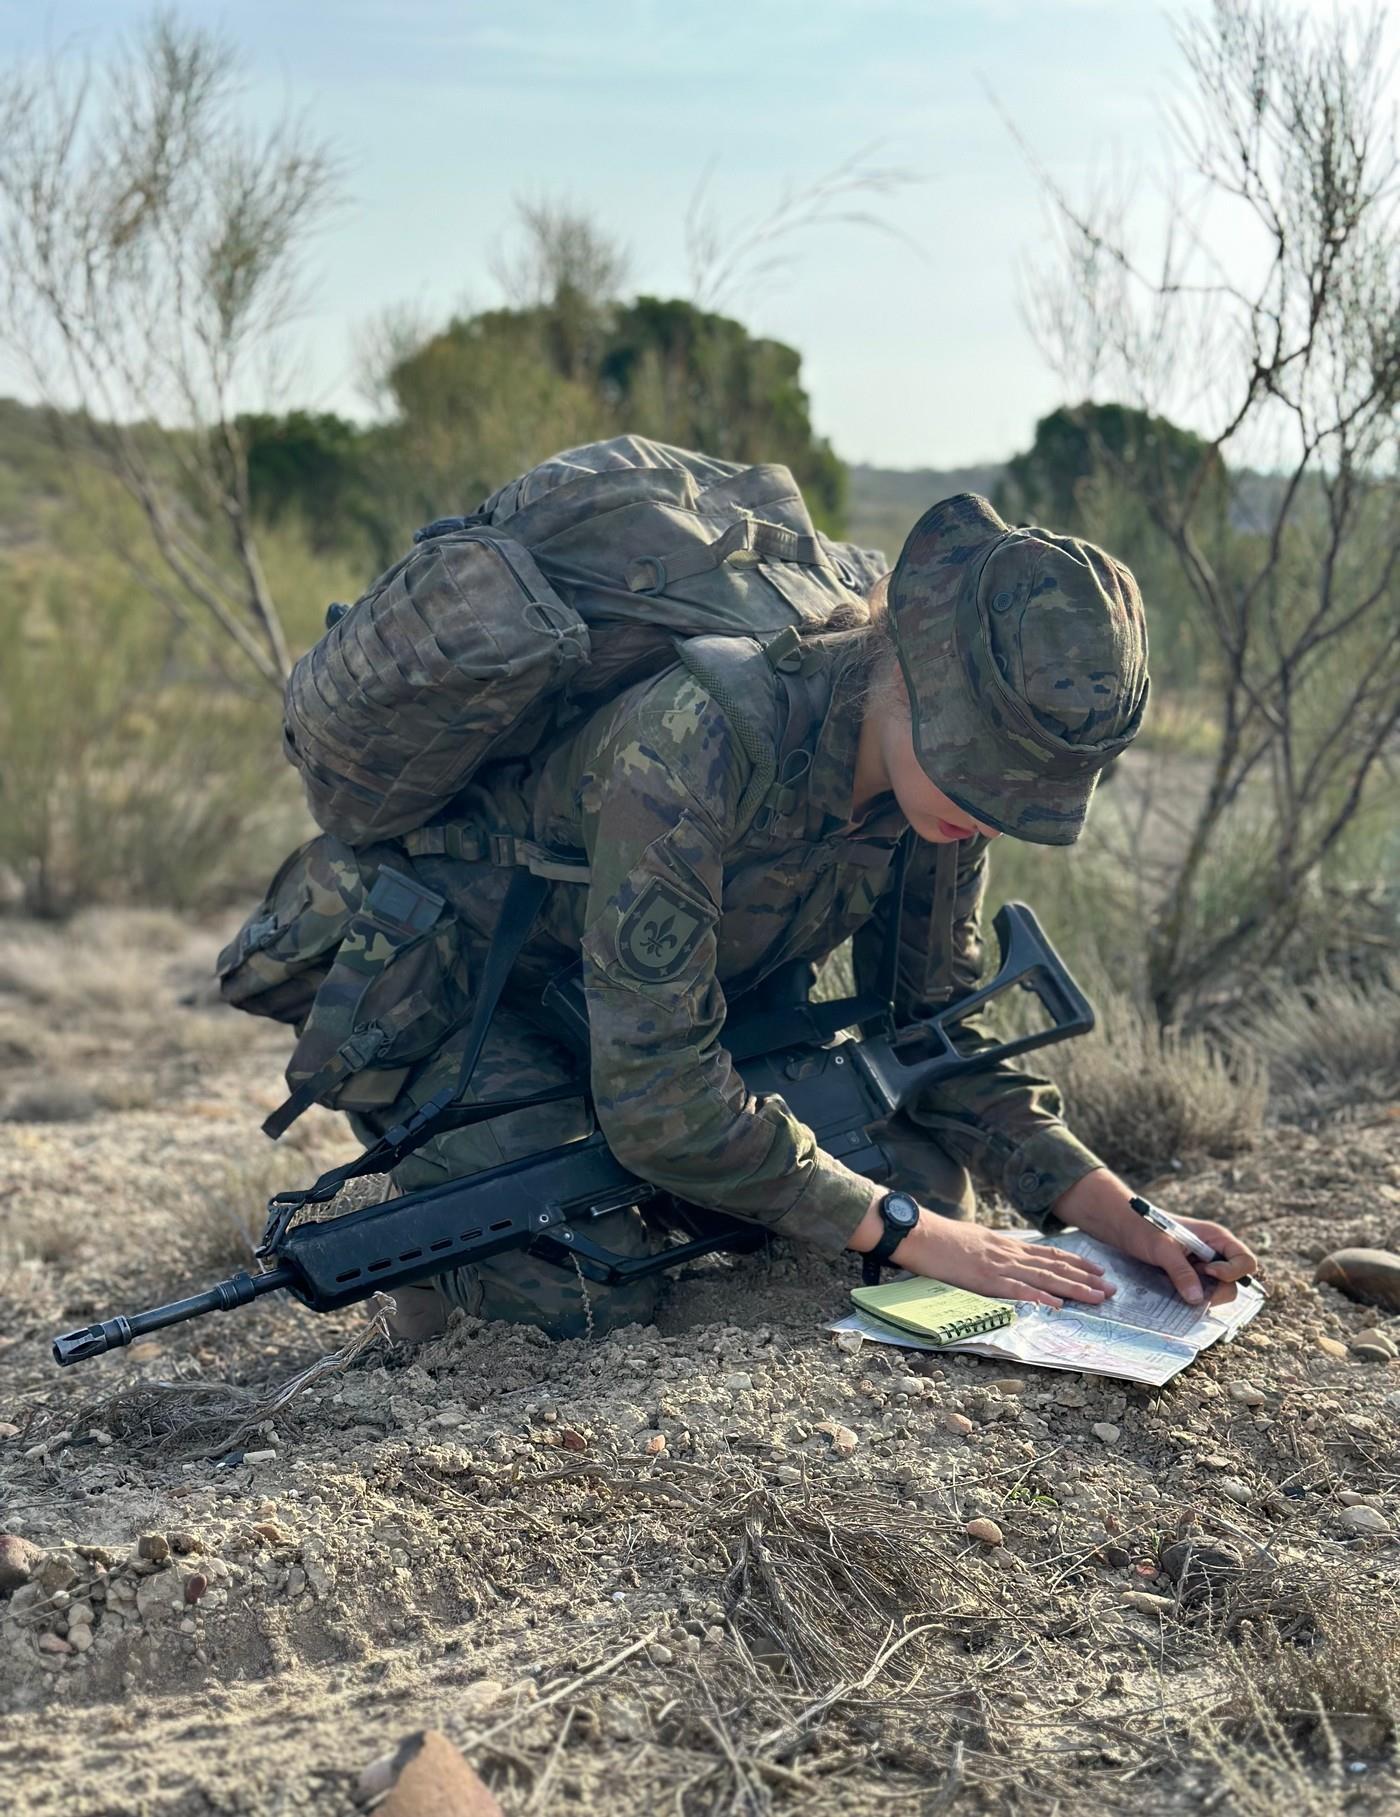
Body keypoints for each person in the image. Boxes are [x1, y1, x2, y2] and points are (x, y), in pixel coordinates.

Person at [343, 486, 1259, 1341]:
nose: (988, 812)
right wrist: (910, 1234)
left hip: (678, 1019)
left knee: (935, 1190)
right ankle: (440, 1218)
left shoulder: (937, 799)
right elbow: (659, 1100)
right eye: (977, 768)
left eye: (1019, 797)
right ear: (905, 663)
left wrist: (1115, 1209)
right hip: (471, 998)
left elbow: (936, 1031)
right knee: (588, 1291)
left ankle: (685, 1195)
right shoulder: (699, 735)